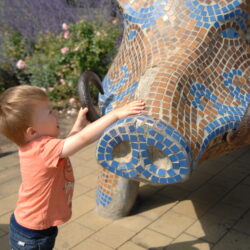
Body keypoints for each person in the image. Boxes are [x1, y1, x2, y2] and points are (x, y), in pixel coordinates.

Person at [0, 85, 145, 250]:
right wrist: (116, 114)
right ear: (32, 132)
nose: (55, 113)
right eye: (49, 112)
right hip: (32, 235)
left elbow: (68, 144)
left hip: (32, 227)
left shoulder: (37, 147)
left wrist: (78, 125)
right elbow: (82, 139)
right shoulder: (41, 149)